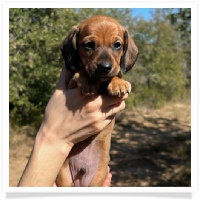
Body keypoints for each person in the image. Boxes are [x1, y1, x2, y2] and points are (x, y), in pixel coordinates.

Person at [17, 66, 130, 187]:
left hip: (97, 168)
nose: (105, 63)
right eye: (89, 46)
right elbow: (72, 82)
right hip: (66, 166)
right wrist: (82, 77)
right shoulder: (77, 73)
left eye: (117, 45)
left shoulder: (114, 77)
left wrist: (116, 81)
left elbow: (119, 89)